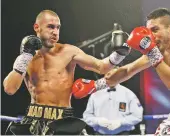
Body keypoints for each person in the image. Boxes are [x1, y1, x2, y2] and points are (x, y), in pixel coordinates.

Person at [3, 10, 131, 135]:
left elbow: (101, 67)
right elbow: (9, 89)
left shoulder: (68, 51)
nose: (55, 32)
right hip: (34, 117)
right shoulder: (27, 57)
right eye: (51, 27)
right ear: (37, 27)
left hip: (62, 119)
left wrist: (118, 54)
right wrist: (25, 57)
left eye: (58, 28)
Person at [72, 8, 170, 135]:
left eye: (155, 30)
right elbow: (127, 71)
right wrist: (96, 85)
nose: (151, 36)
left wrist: (151, 51)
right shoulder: (159, 51)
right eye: (149, 32)